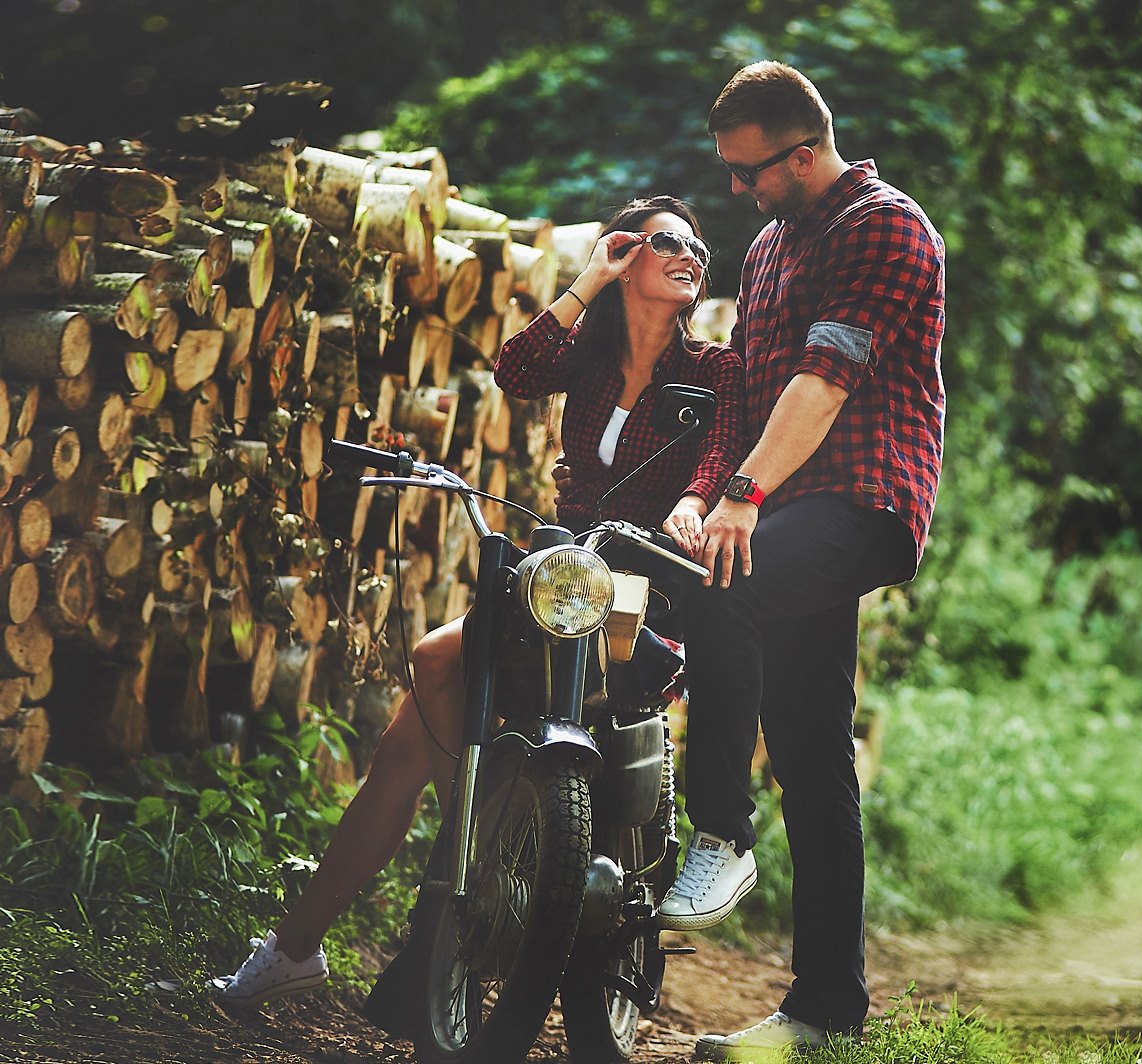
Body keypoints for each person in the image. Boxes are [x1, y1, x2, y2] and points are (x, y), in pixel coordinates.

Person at [210, 195, 744, 1006]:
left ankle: (467, 864)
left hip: (650, 579)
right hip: (565, 565)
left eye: (700, 249)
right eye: (670, 241)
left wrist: (694, 506)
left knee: (411, 734)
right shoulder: (590, 364)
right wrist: (588, 279)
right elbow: (516, 370)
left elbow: (720, 453)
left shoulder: (712, 371)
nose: (693, 256)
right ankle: (322, 935)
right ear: (627, 251)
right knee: (428, 674)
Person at [664, 62, 947, 1059]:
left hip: (864, 502)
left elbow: (826, 377)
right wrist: (705, 493)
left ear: (802, 151)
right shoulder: (772, 244)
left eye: (749, 173)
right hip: (782, 514)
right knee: (814, 758)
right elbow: (744, 395)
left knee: (718, 585)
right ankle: (826, 1012)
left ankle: (719, 830)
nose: (738, 192)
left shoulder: (886, 224)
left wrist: (742, 497)